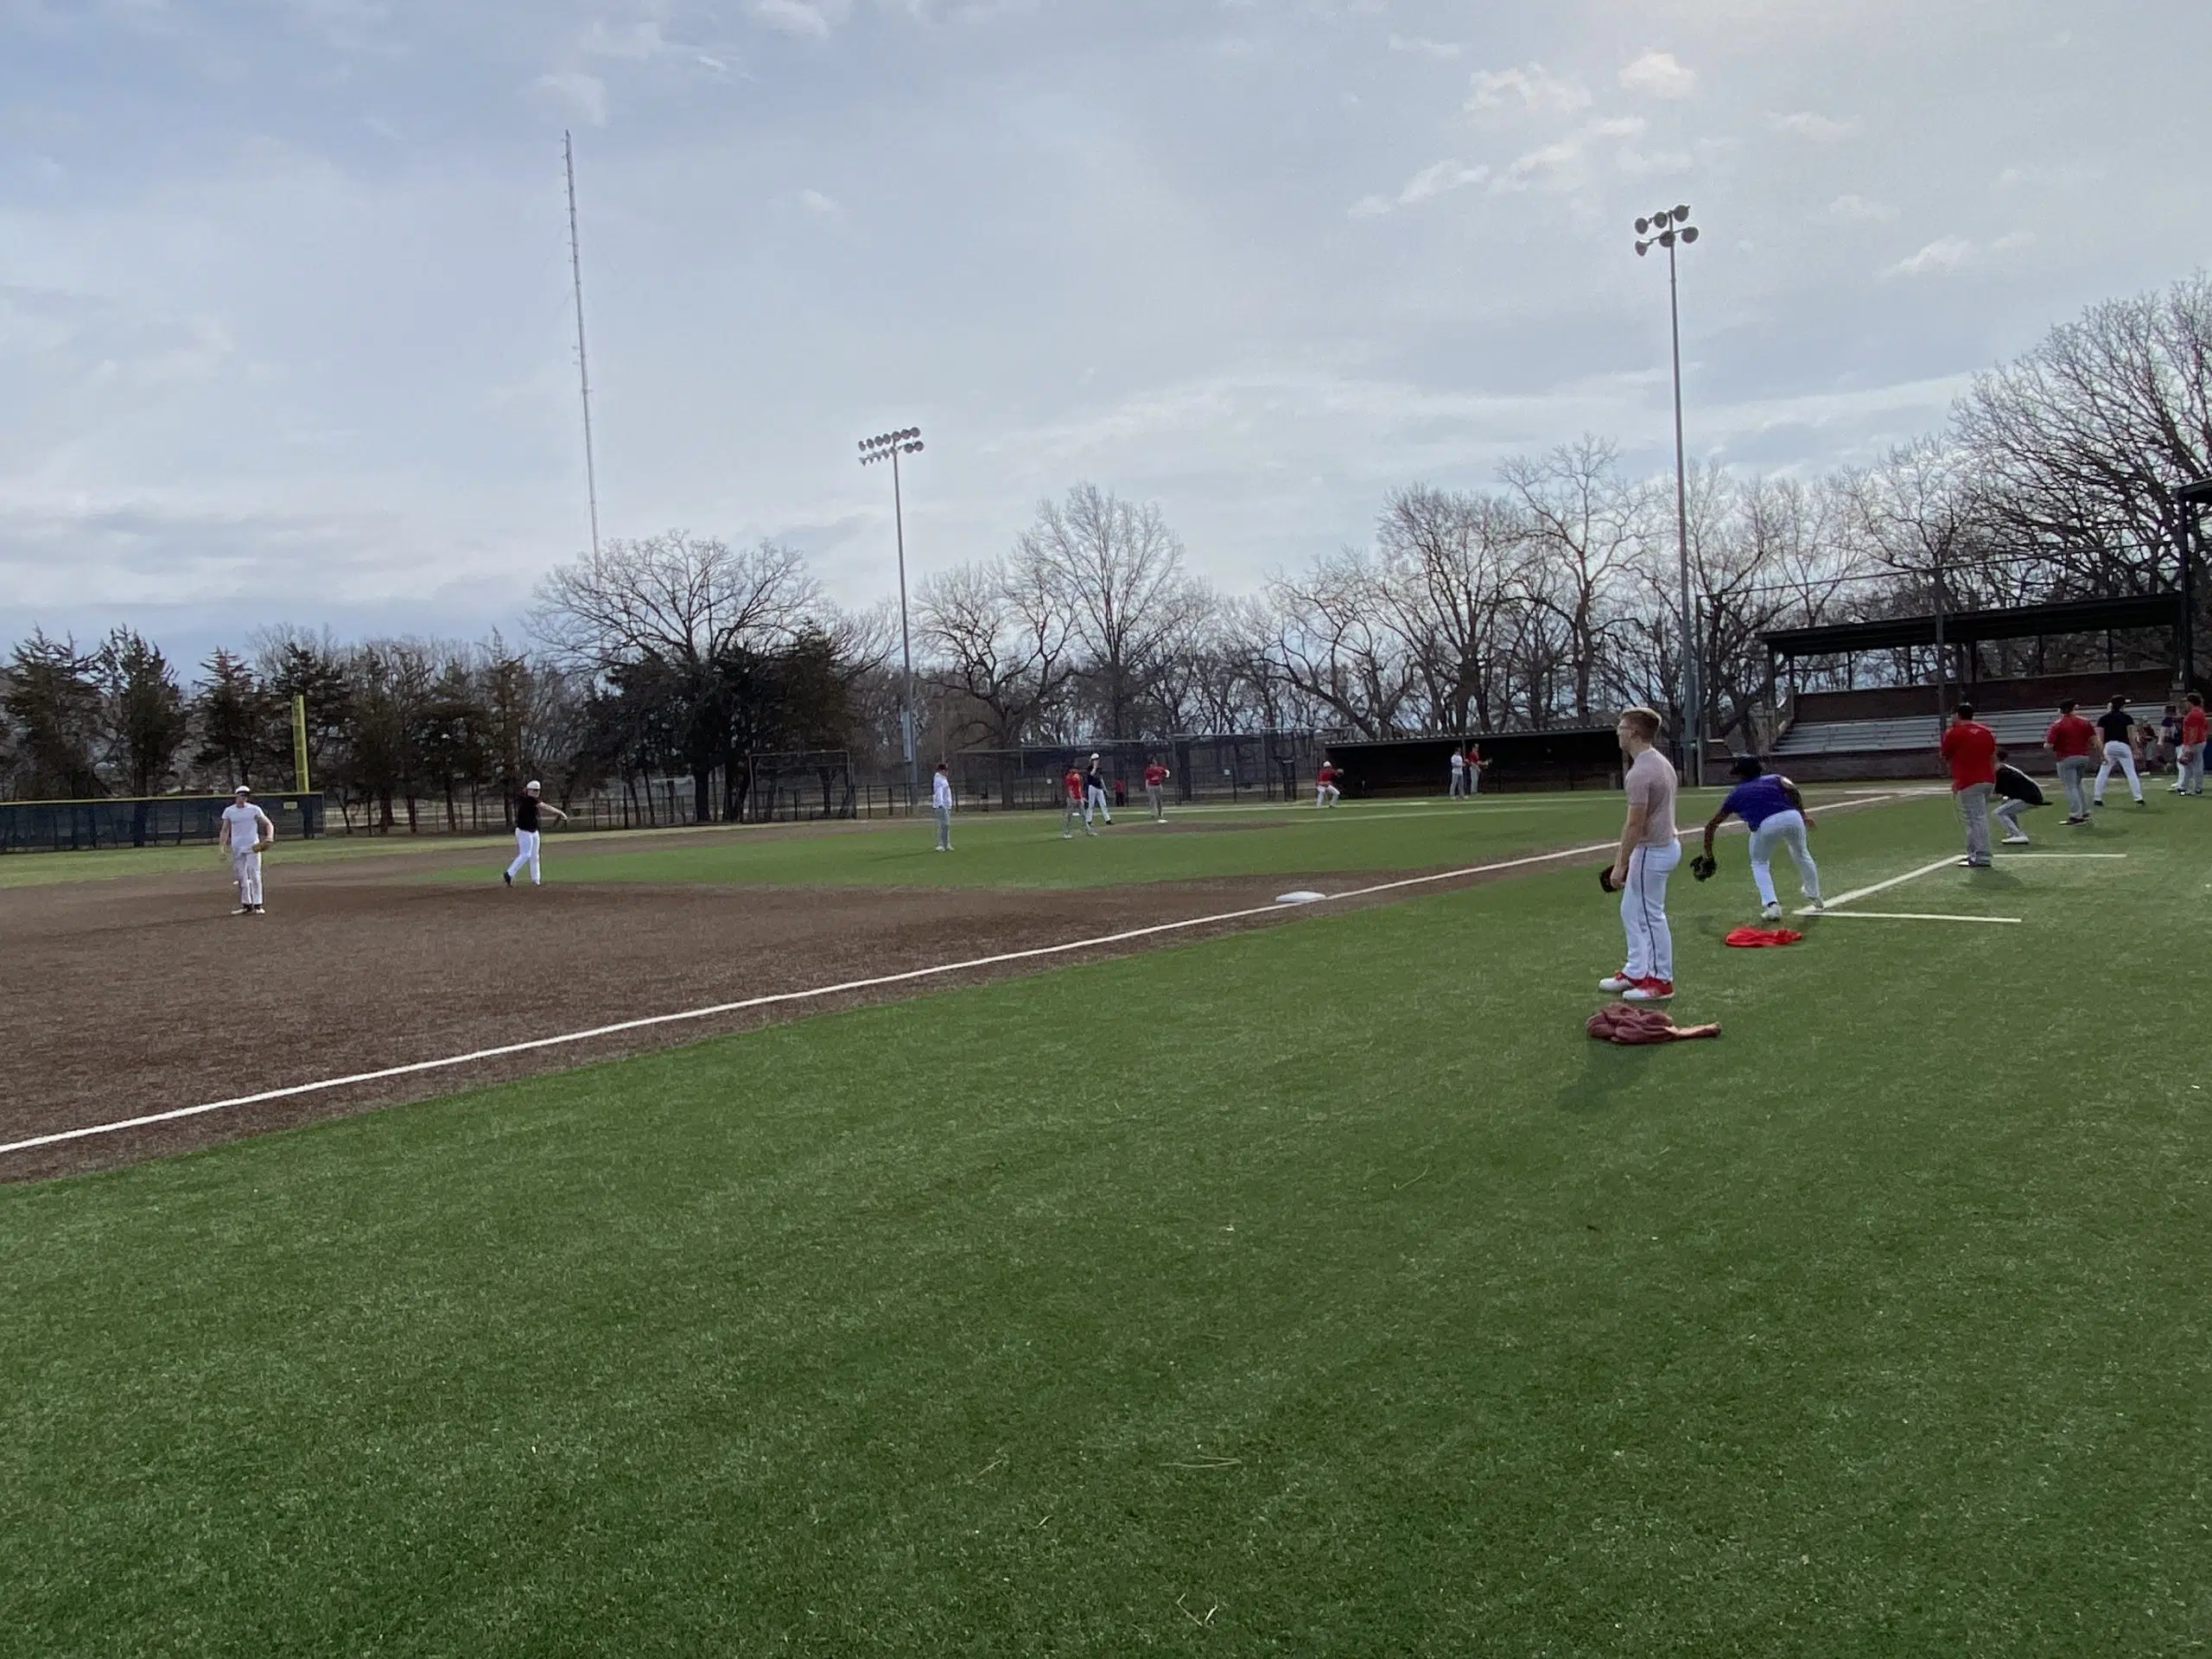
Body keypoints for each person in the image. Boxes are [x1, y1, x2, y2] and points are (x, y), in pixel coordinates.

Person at [1598, 708, 1679, 1002]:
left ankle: (1660, 981)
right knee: (1630, 910)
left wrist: (1621, 865)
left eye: (1622, 726)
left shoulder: (1641, 771)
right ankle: (1636, 969)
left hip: (1652, 850)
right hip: (1661, 846)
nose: (1618, 731)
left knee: (1649, 915)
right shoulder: (1658, 763)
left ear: (1633, 732)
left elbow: (1635, 824)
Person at [1699, 755, 1820, 923]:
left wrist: (1708, 855)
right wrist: (1803, 814)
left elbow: (1711, 826)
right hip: (1793, 817)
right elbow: (1792, 789)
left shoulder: (1736, 793)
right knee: (1801, 853)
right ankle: (1814, 894)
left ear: (1740, 774)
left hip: (1766, 824)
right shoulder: (1776, 778)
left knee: (1759, 863)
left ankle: (1772, 905)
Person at [1940, 702, 1999, 868]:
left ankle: (1980, 855)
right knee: (1979, 817)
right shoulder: (1986, 732)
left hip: (1968, 780)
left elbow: (1945, 754)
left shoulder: (1955, 733)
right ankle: (1977, 853)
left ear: (1957, 715)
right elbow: (1992, 755)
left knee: (1975, 820)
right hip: (1987, 778)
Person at [218, 784, 275, 916]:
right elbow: (225, 829)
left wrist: (269, 837)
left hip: (252, 847)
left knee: (255, 874)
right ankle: (246, 905)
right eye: (241, 794)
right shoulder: (229, 811)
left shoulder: (254, 809)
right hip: (237, 847)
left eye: (246, 795)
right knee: (241, 876)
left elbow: (268, 824)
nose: (243, 797)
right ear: (236, 795)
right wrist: (221, 847)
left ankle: (258, 904)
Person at [503, 779, 569, 887]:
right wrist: (560, 812)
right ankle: (509, 873)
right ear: (529, 791)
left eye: (538, 790)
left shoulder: (531, 799)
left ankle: (536, 880)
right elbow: (545, 807)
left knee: (535, 856)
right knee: (526, 854)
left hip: (533, 831)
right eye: (534, 790)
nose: (537, 792)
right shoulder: (528, 800)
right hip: (524, 832)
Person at [2044, 698, 2097, 824]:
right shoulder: (2085, 722)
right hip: (2083, 756)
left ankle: (2076, 815)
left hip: (2066, 757)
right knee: (2078, 785)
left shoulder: (2058, 725)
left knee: (2070, 786)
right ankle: (2084, 811)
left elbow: (2049, 745)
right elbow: (2094, 739)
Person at [2092, 694, 2145, 808]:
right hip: (2123, 745)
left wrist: (2101, 752)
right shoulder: (2127, 718)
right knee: (2130, 772)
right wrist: (2135, 749)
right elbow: (2131, 736)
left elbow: (2100, 738)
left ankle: (2097, 798)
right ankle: (2138, 798)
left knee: (2103, 772)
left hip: (2109, 745)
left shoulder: (2103, 719)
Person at [1992, 748, 2045, 844]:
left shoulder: (2002, 771)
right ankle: (2014, 833)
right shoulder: (2006, 769)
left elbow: (1997, 794)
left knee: (1999, 813)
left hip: (2028, 797)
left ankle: (2018, 835)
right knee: (2006, 807)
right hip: (2031, 796)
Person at [2174, 692, 2207, 797]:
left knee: (2185, 765)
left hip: (2193, 742)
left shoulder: (2192, 714)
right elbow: (2205, 727)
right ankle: (2198, 787)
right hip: (2201, 741)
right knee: (2198, 764)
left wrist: (2188, 745)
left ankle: (2183, 787)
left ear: (2190, 702)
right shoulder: (2201, 712)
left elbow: (2193, 731)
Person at [1061, 762, 1094, 838]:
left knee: (1084, 815)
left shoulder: (1078, 776)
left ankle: (1088, 830)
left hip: (1079, 798)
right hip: (1072, 799)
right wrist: (1072, 798)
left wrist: (1082, 797)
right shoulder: (1069, 777)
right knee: (1069, 816)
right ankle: (1066, 833)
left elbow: (1079, 788)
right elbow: (1070, 788)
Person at [930, 761, 954, 851]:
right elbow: (938, 792)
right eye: (946, 770)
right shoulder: (939, 779)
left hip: (946, 805)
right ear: (942, 771)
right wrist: (940, 804)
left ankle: (946, 844)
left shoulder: (943, 779)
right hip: (941, 806)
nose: (947, 772)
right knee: (944, 825)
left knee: (946, 826)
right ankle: (940, 844)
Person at [1084, 752, 1112, 824]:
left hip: (1099, 788)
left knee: (1103, 804)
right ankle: (1089, 820)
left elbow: (1101, 778)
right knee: (1091, 804)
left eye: (1097, 759)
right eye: (1095, 760)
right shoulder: (1089, 768)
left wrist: (1105, 788)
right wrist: (1095, 767)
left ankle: (1107, 819)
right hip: (1092, 787)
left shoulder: (1099, 769)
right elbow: (1092, 774)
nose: (1097, 761)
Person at [1143, 757, 1171, 821]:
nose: (1155, 763)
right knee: (1152, 800)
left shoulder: (1159, 768)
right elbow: (1147, 779)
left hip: (1158, 785)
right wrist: (1147, 786)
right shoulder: (1149, 770)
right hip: (1151, 786)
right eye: (1154, 762)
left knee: (1159, 800)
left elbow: (1166, 772)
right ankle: (1153, 814)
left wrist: (1165, 776)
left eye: (1155, 761)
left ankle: (1160, 814)